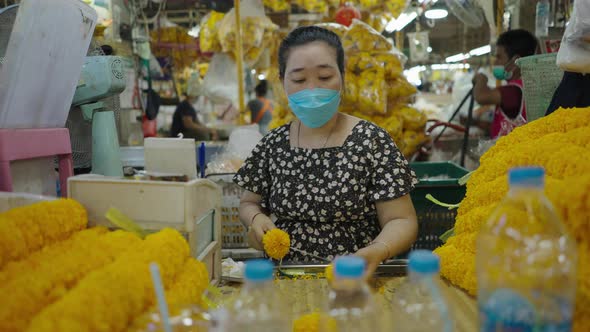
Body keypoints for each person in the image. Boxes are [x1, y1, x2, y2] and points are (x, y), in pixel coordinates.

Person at [233, 26, 418, 275]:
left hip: (354, 280)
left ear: (342, 76)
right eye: (299, 79)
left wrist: (379, 249)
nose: (312, 90)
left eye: (324, 77)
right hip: (283, 278)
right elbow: (248, 203)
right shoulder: (273, 143)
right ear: (282, 82)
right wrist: (256, 220)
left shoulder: (372, 141)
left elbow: (401, 220)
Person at [471, 29, 538, 139]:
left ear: (516, 61)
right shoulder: (528, 84)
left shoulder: (514, 90)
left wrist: (481, 79)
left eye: (499, 57)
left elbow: (481, 96)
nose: (495, 62)